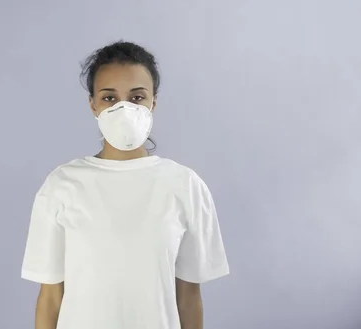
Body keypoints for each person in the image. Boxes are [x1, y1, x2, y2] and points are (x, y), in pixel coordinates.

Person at [21, 41, 230, 329]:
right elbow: (50, 299)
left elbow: (188, 299)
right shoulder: (61, 185)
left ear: (153, 102)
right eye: (109, 98)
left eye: (136, 97)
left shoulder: (185, 186)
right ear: (93, 104)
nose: (123, 108)